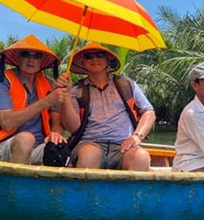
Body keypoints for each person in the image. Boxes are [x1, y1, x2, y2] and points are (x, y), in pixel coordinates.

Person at [56, 42, 155, 171]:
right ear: (83, 63)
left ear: (108, 60)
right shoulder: (76, 91)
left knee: (141, 157)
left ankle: (127, 192)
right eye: (89, 56)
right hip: (90, 143)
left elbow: (149, 112)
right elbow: (72, 127)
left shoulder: (126, 84)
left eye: (99, 55)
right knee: (89, 155)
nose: (95, 59)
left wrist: (137, 136)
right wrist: (66, 95)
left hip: (123, 145)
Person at [0, 35, 67, 165]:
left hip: (39, 147)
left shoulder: (49, 84)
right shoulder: (1, 81)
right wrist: (46, 101)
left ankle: (50, 185)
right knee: (26, 139)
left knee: (62, 148)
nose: (31, 60)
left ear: (41, 61)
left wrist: (55, 134)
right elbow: (7, 122)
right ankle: (14, 185)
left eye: (37, 56)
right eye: (26, 54)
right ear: (17, 57)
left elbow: (57, 122)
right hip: (3, 147)